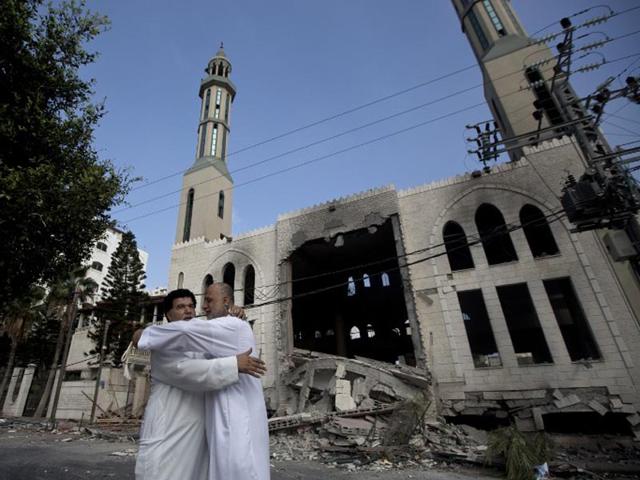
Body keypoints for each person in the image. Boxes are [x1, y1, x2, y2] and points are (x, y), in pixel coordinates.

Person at [137, 282, 270, 480]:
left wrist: (234, 316)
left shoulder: (203, 340)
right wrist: (142, 335)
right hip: (168, 437)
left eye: (191, 306)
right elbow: (191, 372)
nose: (189, 311)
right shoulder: (163, 348)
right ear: (168, 316)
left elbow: (215, 334)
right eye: (180, 307)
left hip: (199, 440)